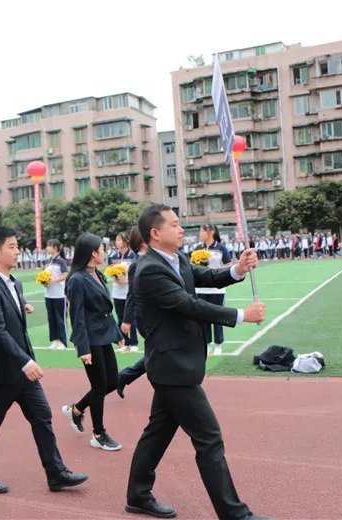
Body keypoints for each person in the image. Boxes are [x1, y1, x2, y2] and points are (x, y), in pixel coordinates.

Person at [124, 205, 271, 520]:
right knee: (209, 438)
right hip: (173, 367)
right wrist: (241, 315)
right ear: (155, 232)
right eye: (175, 225)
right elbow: (187, 304)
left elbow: (207, 277)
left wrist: (238, 269)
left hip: (175, 365)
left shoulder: (176, 259)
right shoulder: (149, 268)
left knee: (158, 432)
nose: (181, 230)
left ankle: (137, 494)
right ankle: (235, 515)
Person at [0, 225, 89, 495]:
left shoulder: (15, 283)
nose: (17, 251)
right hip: (1, 373)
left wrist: (21, 307)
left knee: (43, 417)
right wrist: (26, 362)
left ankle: (55, 473)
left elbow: (10, 319)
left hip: (23, 372)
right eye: (11, 247)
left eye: (17, 246)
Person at [61, 233, 125, 451]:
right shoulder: (77, 280)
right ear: (93, 253)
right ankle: (99, 434)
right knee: (99, 386)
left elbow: (105, 310)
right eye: (102, 249)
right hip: (90, 339)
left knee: (113, 382)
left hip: (104, 335)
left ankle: (77, 409)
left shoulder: (97, 273)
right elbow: (76, 316)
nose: (105, 252)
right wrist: (83, 347)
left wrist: (117, 334)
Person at [115, 226, 149, 396]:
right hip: (145, 317)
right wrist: (127, 320)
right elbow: (132, 293)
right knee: (160, 351)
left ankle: (124, 377)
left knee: (157, 352)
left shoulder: (148, 258)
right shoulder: (137, 263)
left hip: (155, 314)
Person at [196, 223, 233, 357]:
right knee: (203, 318)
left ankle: (219, 344)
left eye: (202, 231)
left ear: (211, 232)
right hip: (201, 290)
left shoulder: (221, 248)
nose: (200, 234)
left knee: (217, 317)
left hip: (217, 290)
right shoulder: (197, 248)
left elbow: (228, 266)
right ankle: (207, 343)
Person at [111, 231, 138, 352]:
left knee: (131, 317)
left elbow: (136, 274)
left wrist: (126, 281)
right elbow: (111, 271)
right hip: (117, 292)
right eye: (116, 240)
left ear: (126, 241)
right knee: (120, 318)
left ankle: (134, 342)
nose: (117, 242)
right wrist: (115, 277)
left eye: (119, 240)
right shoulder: (115, 256)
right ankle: (124, 342)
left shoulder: (133, 255)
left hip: (128, 291)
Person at [43, 239, 69, 350]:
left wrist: (53, 281)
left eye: (49, 246)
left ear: (55, 248)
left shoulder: (61, 261)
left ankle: (63, 341)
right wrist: (44, 282)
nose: (47, 248)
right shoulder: (48, 261)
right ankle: (55, 340)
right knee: (51, 318)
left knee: (60, 318)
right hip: (48, 294)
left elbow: (65, 275)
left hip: (59, 294)